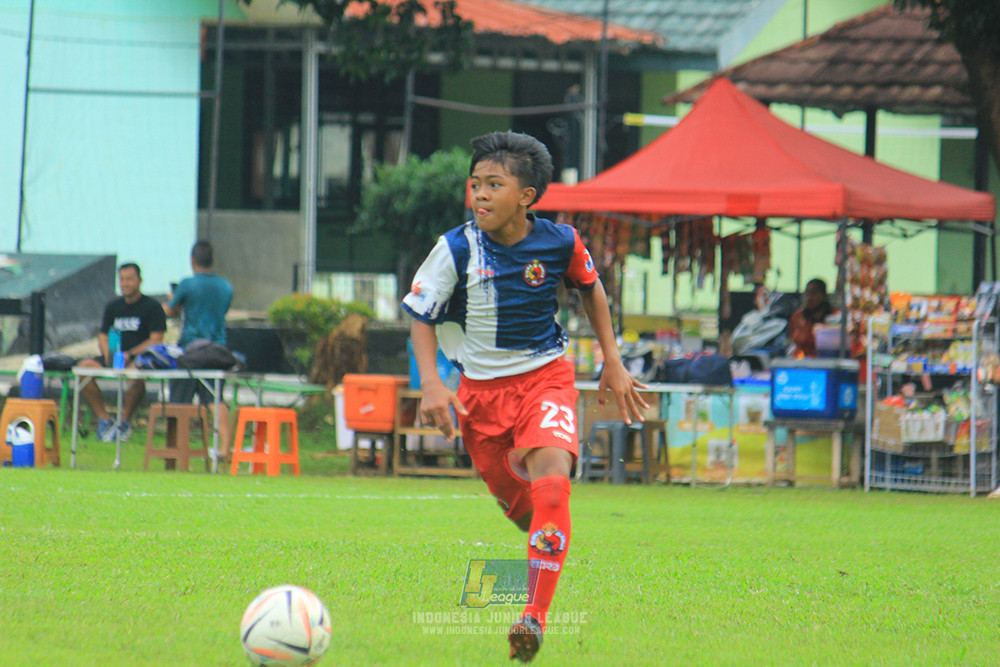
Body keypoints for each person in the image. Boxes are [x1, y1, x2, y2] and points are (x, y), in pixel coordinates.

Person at [402, 131, 648, 663]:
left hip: (547, 379)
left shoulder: (561, 241)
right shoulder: (455, 247)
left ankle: (532, 619)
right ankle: (540, 561)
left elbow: (591, 287)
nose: (480, 195)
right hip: (480, 398)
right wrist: (432, 383)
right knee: (526, 514)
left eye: (495, 184)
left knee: (553, 487)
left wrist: (612, 359)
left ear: (528, 196)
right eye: (475, 184)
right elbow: (420, 315)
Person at [77, 263, 166, 441]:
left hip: (139, 359)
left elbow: (156, 339)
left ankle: (124, 422)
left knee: (135, 376)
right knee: (83, 369)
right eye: (122, 279)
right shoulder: (113, 307)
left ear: (139, 281)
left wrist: (131, 354)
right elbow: (102, 335)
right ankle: (104, 420)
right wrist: (108, 354)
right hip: (114, 356)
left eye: (130, 279)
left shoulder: (152, 307)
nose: (125, 284)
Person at [163, 240, 233, 403]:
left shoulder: (187, 284)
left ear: (192, 260)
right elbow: (223, 311)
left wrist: (171, 301)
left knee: (179, 404)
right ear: (213, 260)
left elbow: (171, 310)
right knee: (215, 402)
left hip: (190, 350)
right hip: (217, 350)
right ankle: (223, 429)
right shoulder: (226, 286)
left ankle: (178, 429)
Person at [787, 278, 835, 358]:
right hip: (801, 361)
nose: (809, 297)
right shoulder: (798, 316)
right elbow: (794, 338)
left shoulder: (834, 316)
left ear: (824, 295)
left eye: (814, 293)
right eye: (807, 293)